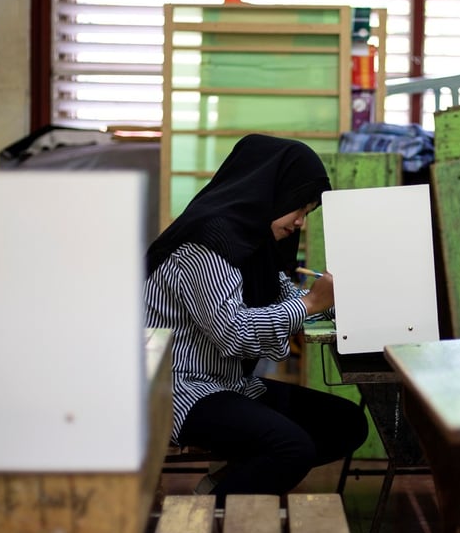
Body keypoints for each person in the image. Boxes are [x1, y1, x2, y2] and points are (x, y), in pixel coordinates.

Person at [144, 133, 368, 500]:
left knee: (346, 424)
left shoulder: (255, 243)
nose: (300, 222)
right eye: (300, 206)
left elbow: (285, 299)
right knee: (292, 449)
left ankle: (225, 483)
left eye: (308, 212)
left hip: (228, 382)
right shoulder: (208, 243)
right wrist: (310, 305)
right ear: (272, 189)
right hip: (180, 388)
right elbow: (234, 333)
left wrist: (333, 301)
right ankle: (207, 520)